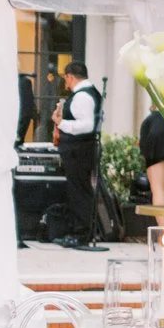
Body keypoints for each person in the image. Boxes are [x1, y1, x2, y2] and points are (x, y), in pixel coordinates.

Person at [52, 60, 109, 249]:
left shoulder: (82, 96)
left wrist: (61, 124)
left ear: (70, 76)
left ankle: (82, 233)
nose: (65, 83)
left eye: (65, 79)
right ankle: (82, 230)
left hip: (79, 151)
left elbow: (87, 126)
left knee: (79, 192)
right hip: (83, 150)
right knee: (80, 190)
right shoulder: (91, 93)